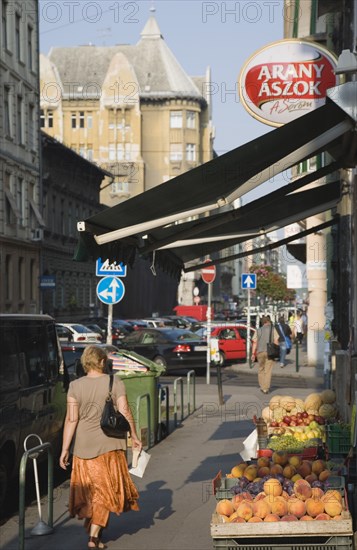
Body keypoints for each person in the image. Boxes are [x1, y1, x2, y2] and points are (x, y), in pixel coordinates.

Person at [59, 345, 142, 549]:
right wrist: (134, 434)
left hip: (83, 448)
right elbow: (125, 411)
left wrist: (64, 449)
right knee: (105, 491)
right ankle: (94, 537)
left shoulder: (75, 386)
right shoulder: (115, 382)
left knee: (91, 493)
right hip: (110, 446)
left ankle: (95, 532)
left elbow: (71, 420)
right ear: (103, 362)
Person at [253, 315, 280, 394]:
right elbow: (276, 341)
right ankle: (266, 389)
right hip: (270, 353)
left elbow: (254, 342)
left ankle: (262, 386)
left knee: (261, 369)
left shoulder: (258, 330)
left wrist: (252, 354)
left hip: (260, 352)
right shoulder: (273, 329)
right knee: (268, 371)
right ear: (268, 322)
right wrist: (277, 351)